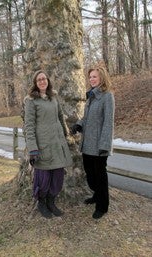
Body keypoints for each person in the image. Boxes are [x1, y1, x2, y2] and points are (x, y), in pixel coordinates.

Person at [23, 70, 73, 219]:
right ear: (35, 83)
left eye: (44, 78)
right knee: (43, 179)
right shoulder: (31, 101)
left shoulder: (53, 97)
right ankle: (42, 203)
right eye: (39, 80)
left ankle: (51, 202)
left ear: (48, 81)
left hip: (57, 144)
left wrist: (66, 133)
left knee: (57, 178)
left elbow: (60, 117)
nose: (42, 81)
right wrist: (33, 149)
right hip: (42, 145)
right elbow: (29, 126)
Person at [71, 66, 115, 220]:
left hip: (99, 146)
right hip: (87, 144)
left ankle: (102, 206)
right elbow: (86, 118)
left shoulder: (107, 96)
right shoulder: (91, 97)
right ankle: (97, 196)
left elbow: (108, 123)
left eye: (95, 76)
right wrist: (78, 124)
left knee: (100, 177)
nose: (92, 79)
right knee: (90, 176)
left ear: (102, 77)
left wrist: (104, 146)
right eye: (90, 77)